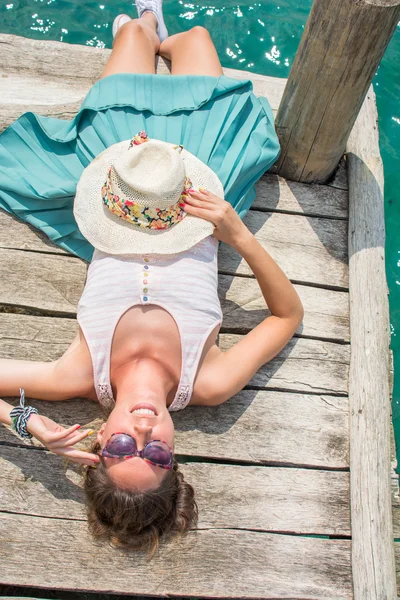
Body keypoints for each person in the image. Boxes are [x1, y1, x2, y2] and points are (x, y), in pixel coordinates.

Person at [0, 3, 304, 554]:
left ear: (96, 444)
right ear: (175, 457)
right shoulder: (207, 381)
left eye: (120, 449)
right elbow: (288, 316)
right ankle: (158, 35)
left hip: (120, 181)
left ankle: (139, 28)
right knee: (197, 40)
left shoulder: (76, 373)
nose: (142, 433)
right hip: (196, 184)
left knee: (134, 43)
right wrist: (237, 234)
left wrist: (30, 425)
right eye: (158, 456)